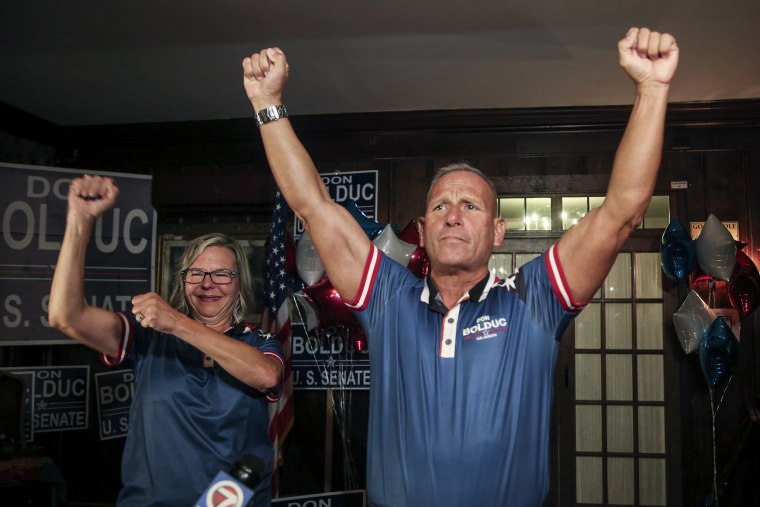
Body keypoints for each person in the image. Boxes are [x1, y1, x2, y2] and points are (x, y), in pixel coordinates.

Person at [242, 26, 679, 506]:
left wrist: (652, 90)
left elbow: (622, 213)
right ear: (424, 231)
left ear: (496, 232)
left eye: (471, 206)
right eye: (440, 207)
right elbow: (313, 204)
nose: (453, 215)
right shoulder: (388, 298)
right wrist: (268, 104)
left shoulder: (535, 300)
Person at [48, 175, 284, 507]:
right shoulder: (149, 337)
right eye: (196, 273)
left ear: (240, 283)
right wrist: (79, 222)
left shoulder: (260, 342)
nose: (207, 283)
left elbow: (266, 376)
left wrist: (177, 322)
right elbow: (65, 316)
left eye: (221, 274)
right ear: (183, 280)